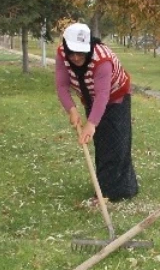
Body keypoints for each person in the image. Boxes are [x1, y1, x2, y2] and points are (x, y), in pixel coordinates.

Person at [55, 22, 139, 201]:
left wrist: (91, 124)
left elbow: (103, 95)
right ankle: (106, 188)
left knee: (117, 142)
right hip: (90, 97)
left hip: (116, 96)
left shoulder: (102, 60)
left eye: (81, 52)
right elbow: (62, 86)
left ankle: (117, 192)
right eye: (72, 52)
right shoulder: (62, 54)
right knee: (102, 143)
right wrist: (72, 110)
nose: (76, 57)